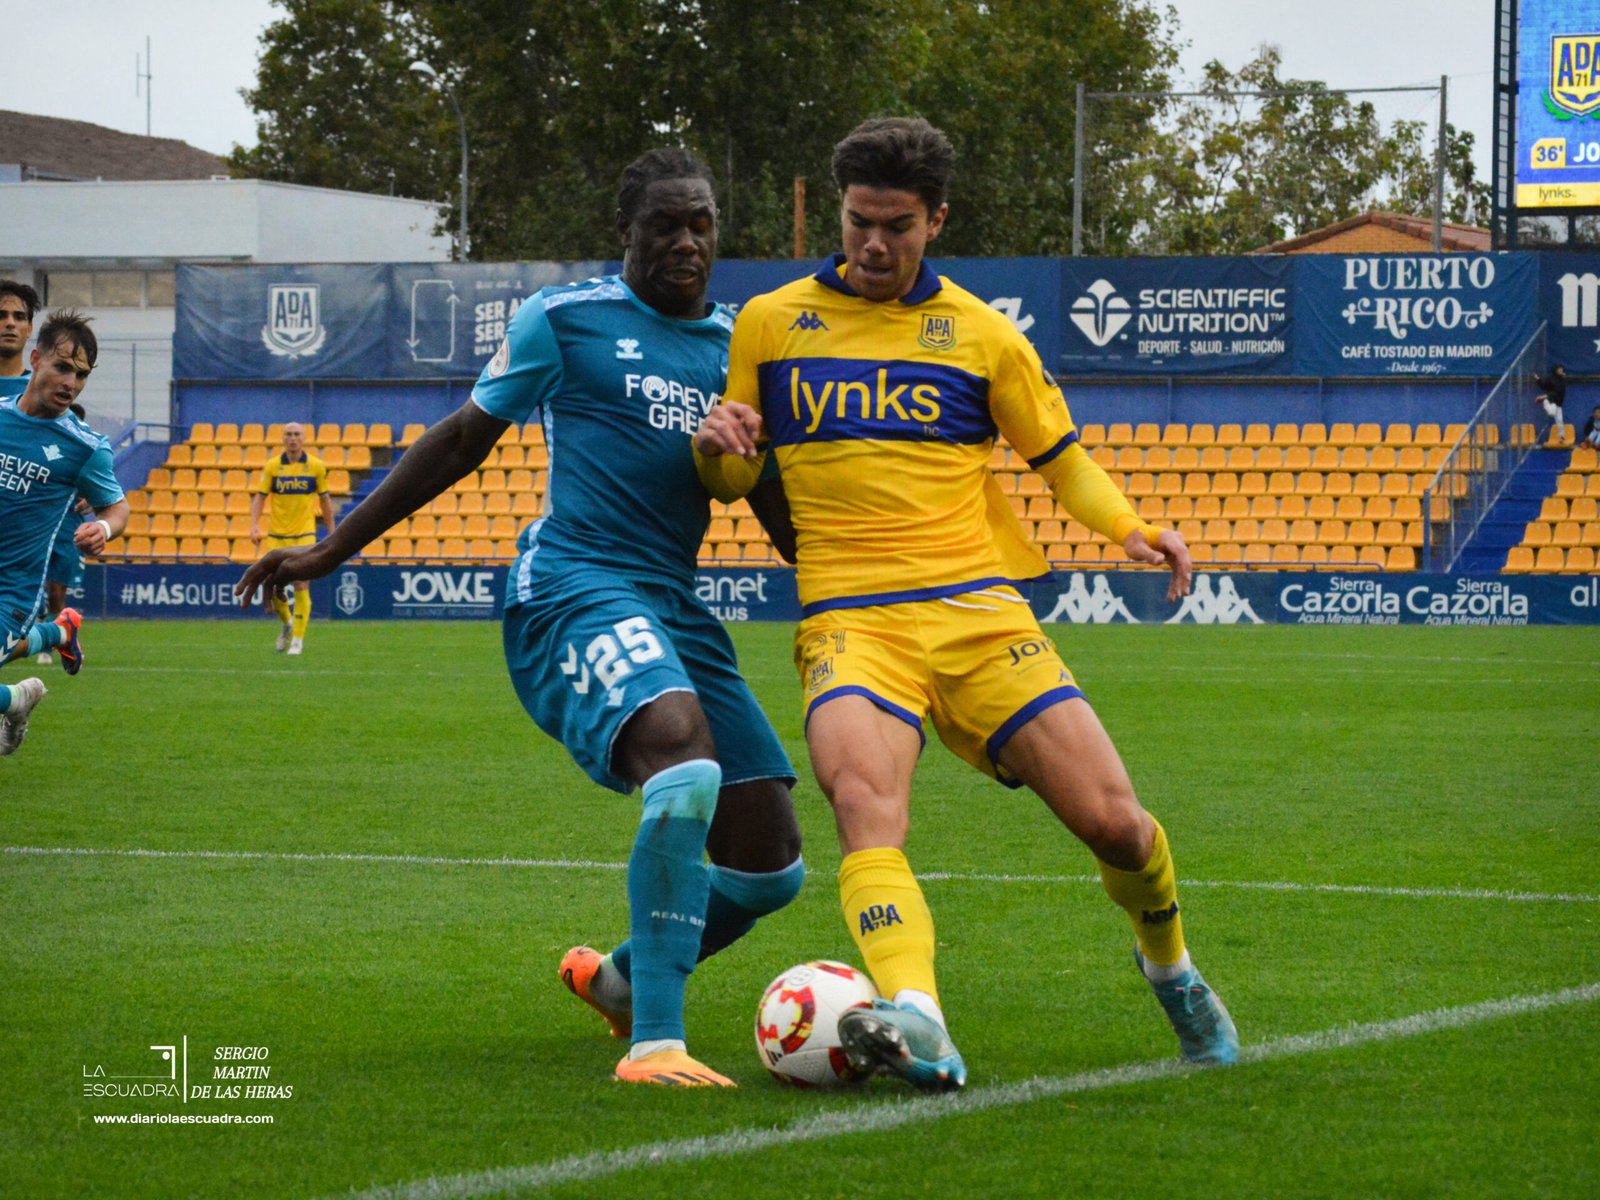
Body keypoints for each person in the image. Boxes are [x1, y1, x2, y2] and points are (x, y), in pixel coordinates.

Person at [236, 148, 804, 1088]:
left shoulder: (742, 349)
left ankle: (621, 981)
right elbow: (462, 439)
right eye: (665, 222)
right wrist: (331, 551)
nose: (687, 240)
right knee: (683, 759)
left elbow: (780, 504)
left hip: (675, 598)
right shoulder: (566, 321)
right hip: (575, 582)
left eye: (701, 222)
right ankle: (655, 1042)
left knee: (767, 862)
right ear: (625, 231)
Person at [693, 116, 1238, 1090]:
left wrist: (1131, 530)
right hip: (850, 620)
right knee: (862, 804)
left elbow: (1061, 463)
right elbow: (735, 479)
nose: (872, 244)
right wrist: (717, 444)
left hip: (979, 615)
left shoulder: (984, 338)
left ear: (935, 219)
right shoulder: (770, 324)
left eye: (896, 226)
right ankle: (919, 1020)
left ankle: (1171, 968)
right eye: (859, 221)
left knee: (1118, 826)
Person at [1, 310, 127, 755]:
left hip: (11, 590)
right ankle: (54, 640)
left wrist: (103, 528)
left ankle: (18, 694)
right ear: (35, 360)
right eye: (62, 367)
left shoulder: (84, 446)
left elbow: (117, 506)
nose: (70, 383)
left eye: (81, 375)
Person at [248, 422, 336, 655]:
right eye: (288, 434)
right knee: (274, 584)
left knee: (300, 582)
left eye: (297, 434)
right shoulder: (273, 467)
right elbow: (260, 497)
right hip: (277, 536)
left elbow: (325, 500)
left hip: (304, 535)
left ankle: (297, 639)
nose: (292, 438)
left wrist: (332, 530)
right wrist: (254, 525)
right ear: (283, 439)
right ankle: (287, 624)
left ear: (304, 439)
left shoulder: (316, 467)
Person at [36, 403, 92, 663]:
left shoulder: (87, 451)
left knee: (58, 589)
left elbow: (99, 489)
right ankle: (41, 619)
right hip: (41, 523)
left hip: (69, 527)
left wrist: (91, 500)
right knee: (34, 583)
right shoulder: (45, 444)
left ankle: (50, 640)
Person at [0, 280, 40, 400]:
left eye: (19, 317)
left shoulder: (42, 391)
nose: (10, 323)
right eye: (1, 316)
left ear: (29, 328)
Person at [1534, 365, 1568, 444]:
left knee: (1559, 420)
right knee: (1551, 413)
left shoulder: (1562, 379)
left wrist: (1563, 377)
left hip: (1559, 402)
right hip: (1552, 399)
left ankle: (1562, 437)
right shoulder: (1551, 379)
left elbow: (1561, 390)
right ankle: (1544, 399)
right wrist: (1538, 380)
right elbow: (1544, 386)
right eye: (1559, 369)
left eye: (1561, 369)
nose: (1561, 371)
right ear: (1555, 370)